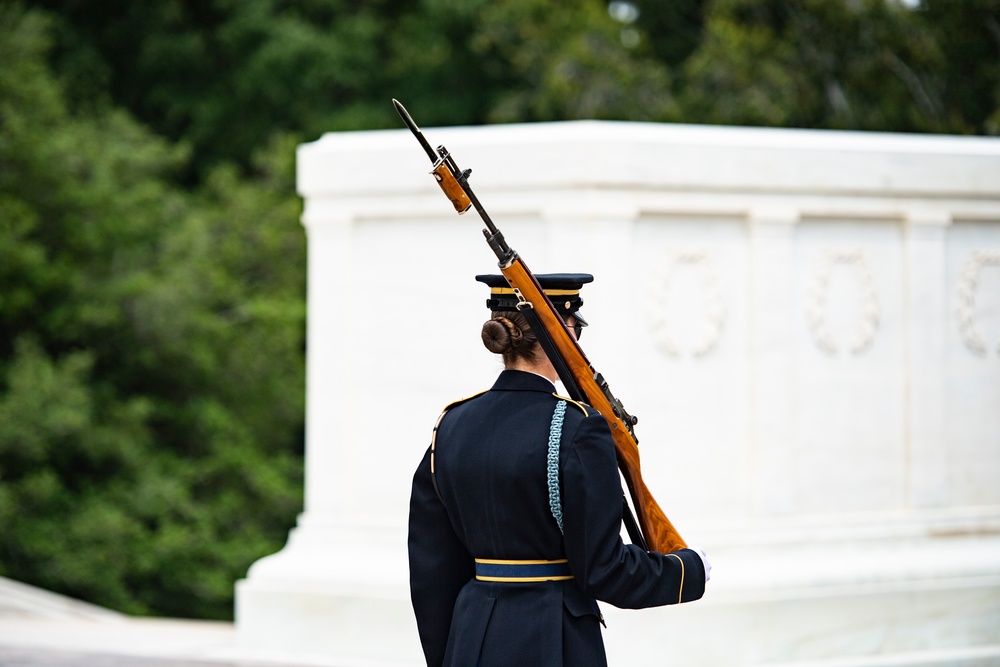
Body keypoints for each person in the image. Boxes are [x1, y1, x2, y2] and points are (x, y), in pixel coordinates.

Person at [408, 273, 710, 667]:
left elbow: (432, 571)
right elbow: (604, 571)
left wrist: (451, 654)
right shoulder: (578, 427)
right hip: (554, 642)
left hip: (471, 638)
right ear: (560, 333)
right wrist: (688, 570)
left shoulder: (450, 425)